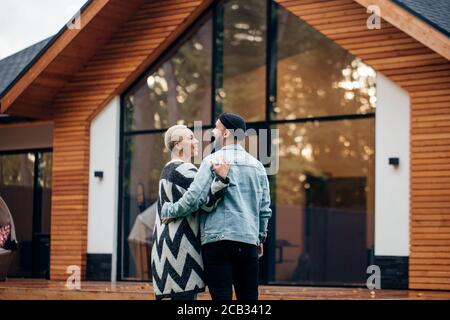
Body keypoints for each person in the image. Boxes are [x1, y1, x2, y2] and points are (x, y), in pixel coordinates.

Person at [161, 113, 272, 300]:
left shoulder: (211, 161)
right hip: (248, 241)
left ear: (226, 133)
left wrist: (169, 210)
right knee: (249, 298)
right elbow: (264, 208)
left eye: (216, 127)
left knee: (221, 297)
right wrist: (260, 237)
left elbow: (193, 199)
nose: (212, 131)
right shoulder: (258, 166)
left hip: (217, 242)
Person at [151, 124, 231, 300]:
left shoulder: (167, 169)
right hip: (181, 251)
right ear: (177, 144)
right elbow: (207, 204)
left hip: (167, 253)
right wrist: (222, 178)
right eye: (190, 138)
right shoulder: (184, 169)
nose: (196, 141)